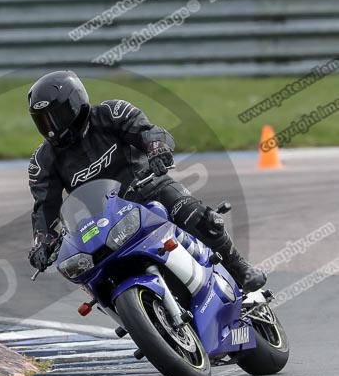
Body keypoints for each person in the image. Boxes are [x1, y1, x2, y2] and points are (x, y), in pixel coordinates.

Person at [27, 70, 266, 292]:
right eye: (44, 121)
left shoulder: (111, 113)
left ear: (75, 104)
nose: (52, 128)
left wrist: (157, 149)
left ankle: (239, 267)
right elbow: (44, 208)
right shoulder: (43, 160)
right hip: (102, 221)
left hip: (147, 189)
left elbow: (148, 131)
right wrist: (42, 242)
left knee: (196, 215)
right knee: (88, 272)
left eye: (56, 117)